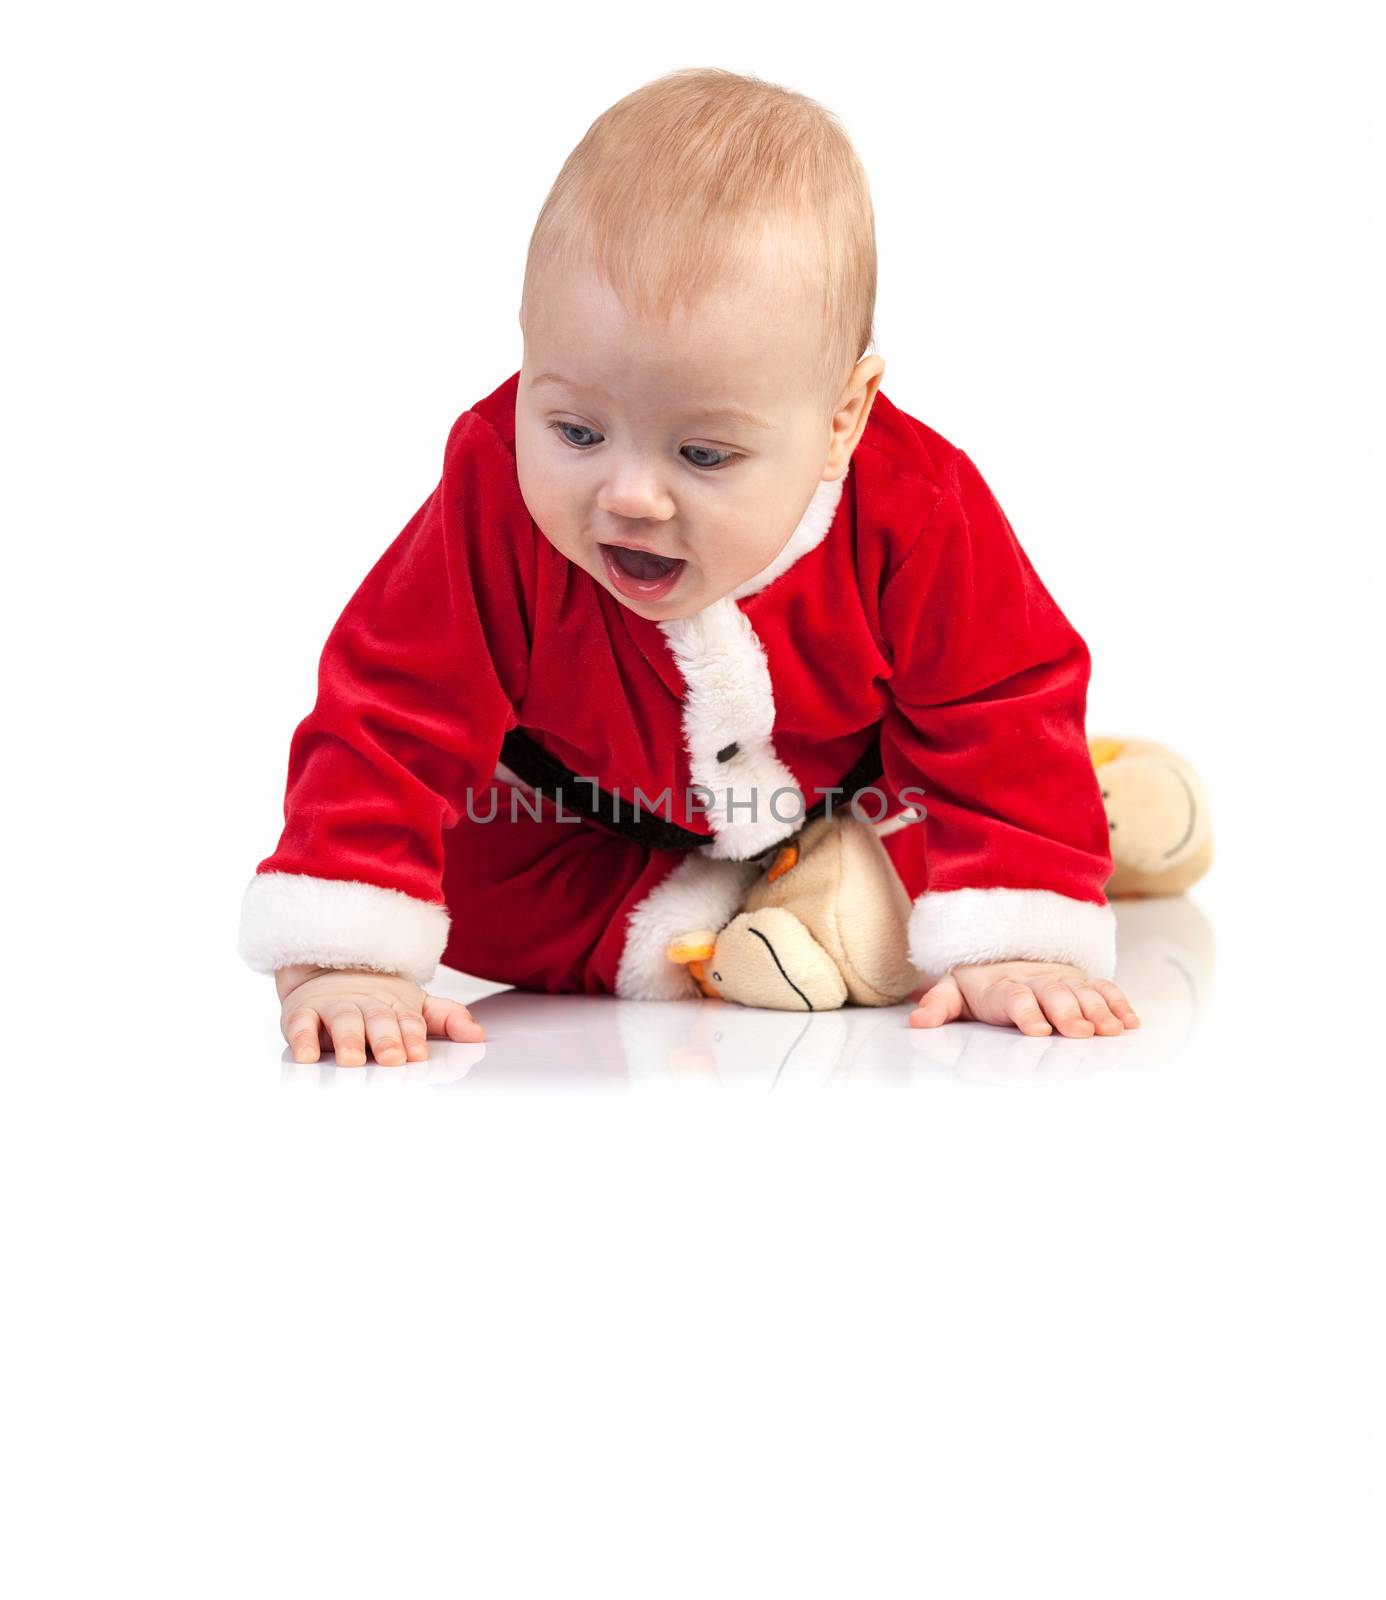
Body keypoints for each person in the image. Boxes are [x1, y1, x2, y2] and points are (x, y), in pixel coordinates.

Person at [238, 67, 1140, 1066]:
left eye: (703, 455)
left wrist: (1017, 936)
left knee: (972, 834)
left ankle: (1088, 815)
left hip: (842, 783)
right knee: (471, 885)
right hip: (581, 816)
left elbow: (998, 701)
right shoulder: (494, 487)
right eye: (576, 428)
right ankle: (754, 914)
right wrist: (343, 952)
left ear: (842, 419)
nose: (627, 495)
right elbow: (391, 702)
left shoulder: (916, 506)